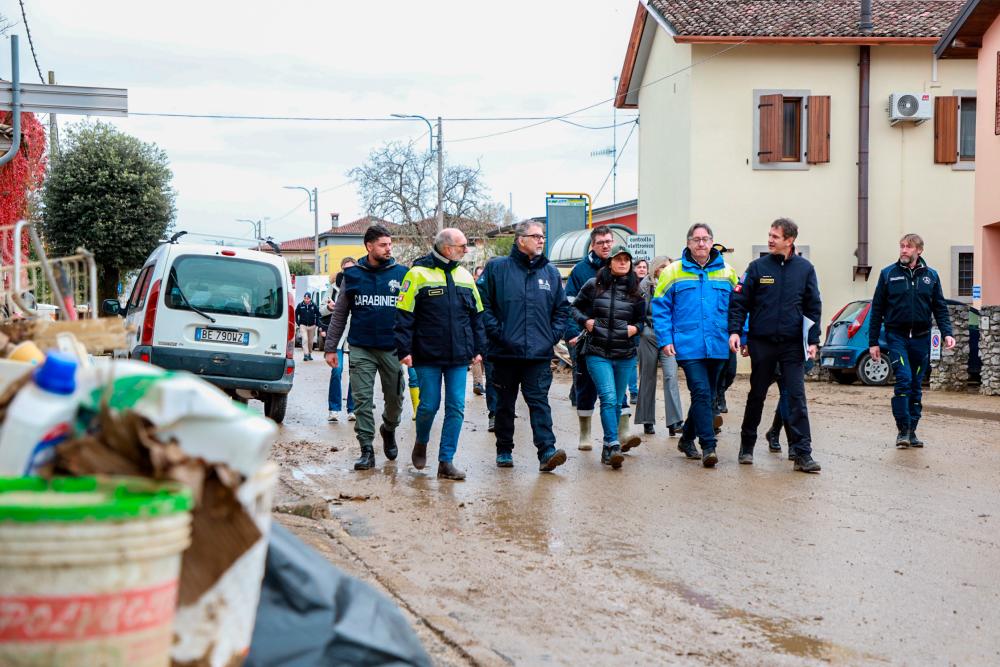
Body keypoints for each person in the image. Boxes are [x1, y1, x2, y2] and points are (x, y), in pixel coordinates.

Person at [728, 218, 822, 473]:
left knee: (796, 397)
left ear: (789, 240)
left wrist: (813, 340)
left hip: (792, 345)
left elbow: (813, 306)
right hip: (762, 343)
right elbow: (739, 303)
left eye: (775, 237)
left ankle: (803, 453)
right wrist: (736, 332)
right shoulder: (757, 267)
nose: (770, 240)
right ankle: (747, 446)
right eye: (769, 235)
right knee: (757, 395)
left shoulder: (805, 269)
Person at [395, 228, 486, 481]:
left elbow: (477, 316)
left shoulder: (465, 276)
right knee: (428, 405)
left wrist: (479, 349)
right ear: (447, 248)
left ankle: (446, 461)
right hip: (426, 355)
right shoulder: (416, 274)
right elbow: (404, 315)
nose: (466, 250)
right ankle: (421, 441)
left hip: (459, 356)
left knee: (456, 406)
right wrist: (404, 350)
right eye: (462, 246)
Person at [480, 221, 570, 471]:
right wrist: (497, 333)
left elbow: (561, 309)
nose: (541, 240)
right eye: (536, 236)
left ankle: (546, 451)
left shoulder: (550, 273)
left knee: (539, 401)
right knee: (504, 403)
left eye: (542, 236)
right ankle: (504, 450)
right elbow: (482, 304)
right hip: (504, 352)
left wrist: (552, 336)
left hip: (538, 354)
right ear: (521, 239)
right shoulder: (497, 268)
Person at [324, 226, 409, 471]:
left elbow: (410, 314)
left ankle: (389, 429)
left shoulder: (402, 274)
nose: (388, 248)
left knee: (395, 399)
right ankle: (367, 450)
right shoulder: (353, 275)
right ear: (369, 246)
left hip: (391, 348)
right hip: (361, 348)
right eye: (383, 245)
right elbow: (339, 315)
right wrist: (331, 348)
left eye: (390, 244)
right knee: (362, 401)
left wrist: (412, 346)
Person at [652, 225, 738, 467]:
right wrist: (666, 339)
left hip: (718, 343)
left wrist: (739, 333)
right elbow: (660, 308)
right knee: (700, 392)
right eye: (696, 239)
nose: (701, 244)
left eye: (705, 239)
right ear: (688, 243)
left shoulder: (728, 272)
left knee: (708, 395)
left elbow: (739, 307)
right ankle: (708, 446)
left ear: (712, 242)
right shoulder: (672, 271)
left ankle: (686, 438)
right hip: (688, 344)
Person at [868, 233, 955, 448]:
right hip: (896, 337)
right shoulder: (888, 274)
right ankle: (902, 431)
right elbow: (877, 309)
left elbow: (940, 308)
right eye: (902, 246)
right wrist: (873, 342)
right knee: (904, 380)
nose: (904, 250)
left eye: (908, 247)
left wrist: (948, 333)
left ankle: (912, 431)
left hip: (921, 339)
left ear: (919, 250)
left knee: (916, 385)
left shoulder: (931, 276)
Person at [571, 244, 645, 469]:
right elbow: (574, 308)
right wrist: (586, 322)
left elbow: (643, 321)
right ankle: (613, 443)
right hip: (597, 351)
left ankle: (607, 447)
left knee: (615, 400)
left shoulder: (636, 291)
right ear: (610, 262)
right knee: (609, 397)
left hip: (625, 354)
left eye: (626, 259)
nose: (623, 263)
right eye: (618, 259)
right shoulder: (594, 285)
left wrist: (635, 329)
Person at [566, 225, 614, 450]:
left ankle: (619, 434)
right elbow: (570, 305)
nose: (605, 245)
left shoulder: (620, 266)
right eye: (601, 242)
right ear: (593, 245)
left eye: (608, 241)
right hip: (586, 338)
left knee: (615, 387)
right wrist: (574, 335)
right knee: (586, 386)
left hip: (616, 340)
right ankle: (585, 435)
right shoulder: (580, 271)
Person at [635, 256, 684, 436]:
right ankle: (647, 420)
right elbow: (639, 312)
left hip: (668, 337)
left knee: (671, 376)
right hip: (649, 334)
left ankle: (675, 421)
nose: (666, 269)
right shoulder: (644, 286)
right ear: (655, 269)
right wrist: (644, 331)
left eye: (668, 266)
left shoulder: (675, 285)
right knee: (647, 377)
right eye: (663, 266)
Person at [321, 264, 355, 423]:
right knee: (336, 371)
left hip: (355, 337)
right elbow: (321, 310)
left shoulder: (359, 284)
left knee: (355, 374)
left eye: (351, 268)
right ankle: (334, 409)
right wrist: (328, 307)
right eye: (345, 268)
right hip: (338, 338)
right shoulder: (333, 288)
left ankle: (352, 409)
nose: (348, 271)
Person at [295, 293, 321, 361]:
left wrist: (317, 323)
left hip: (312, 326)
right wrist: (298, 322)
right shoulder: (300, 305)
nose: (306, 300)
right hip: (303, 325)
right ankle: (305, 355)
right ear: (303, 298)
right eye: (305, 298)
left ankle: (309, 353)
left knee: (310, 342)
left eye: (308, 298)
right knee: (305, 339)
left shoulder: (314, 305)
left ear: (310, 299)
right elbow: (296, 313)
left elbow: (318, 314)